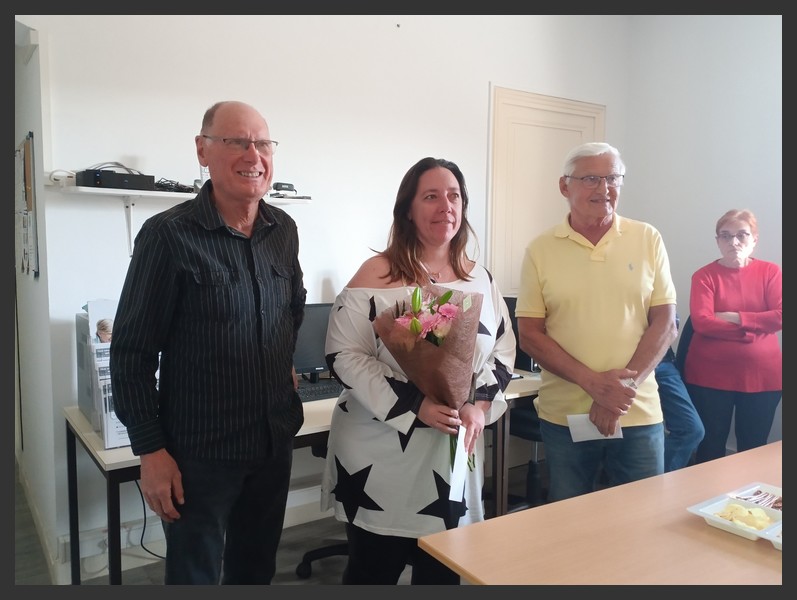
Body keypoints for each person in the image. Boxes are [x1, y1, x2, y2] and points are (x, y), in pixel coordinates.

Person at [110, 101, 307, 585]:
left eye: (262, 143)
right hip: (199, 453)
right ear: (203, 151)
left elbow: (291, 308)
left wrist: (282, 367)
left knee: (255, 569)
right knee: (194, 576)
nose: (252, 154)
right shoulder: (167, 236)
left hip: (272, 440)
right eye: (236, 141)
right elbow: (132, 353)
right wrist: (151, 453)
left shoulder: (284, 230)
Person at [320, 157, 516, 585]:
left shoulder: (480, 279)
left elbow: (502, 349)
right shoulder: (375, 276)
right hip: (379, 458)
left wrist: (480, 405)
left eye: (454, 196)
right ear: (408, 209)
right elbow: (343, 356)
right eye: (431, 196)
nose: (445, 205)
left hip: (450, 459)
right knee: (373, 571)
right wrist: (416, 405)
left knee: (442, 572)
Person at [515, 142, 677, 502]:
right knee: (571, 525)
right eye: (591, 178)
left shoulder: (647, 238)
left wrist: (618, 393)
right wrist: (594, 384)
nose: (604, 189)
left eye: (613, 178)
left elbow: (665, 323)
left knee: (643, 519)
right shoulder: (540, 250)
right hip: (567, 415)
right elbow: (530, 335)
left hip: (638, 413)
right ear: (564, 186)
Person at [683, 209, 782, 463]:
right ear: (717, 241)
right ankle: (706, 501)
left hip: (763, 377)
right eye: (725, 236)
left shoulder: (771, 273)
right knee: (710, 446)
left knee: (753, 446)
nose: (733, 242)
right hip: (710, 377)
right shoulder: (704, 276)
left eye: (741, 235)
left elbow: (781, 316)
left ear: (754, 239)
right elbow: (703, 323)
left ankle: (748, 503)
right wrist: (754, 330)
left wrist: (736, 317)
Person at [655, 314, 704, 472]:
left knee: (691, 429)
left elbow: (671, 323)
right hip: (621, 363)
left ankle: (656, 488)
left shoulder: (659, 289)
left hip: (662, 362)